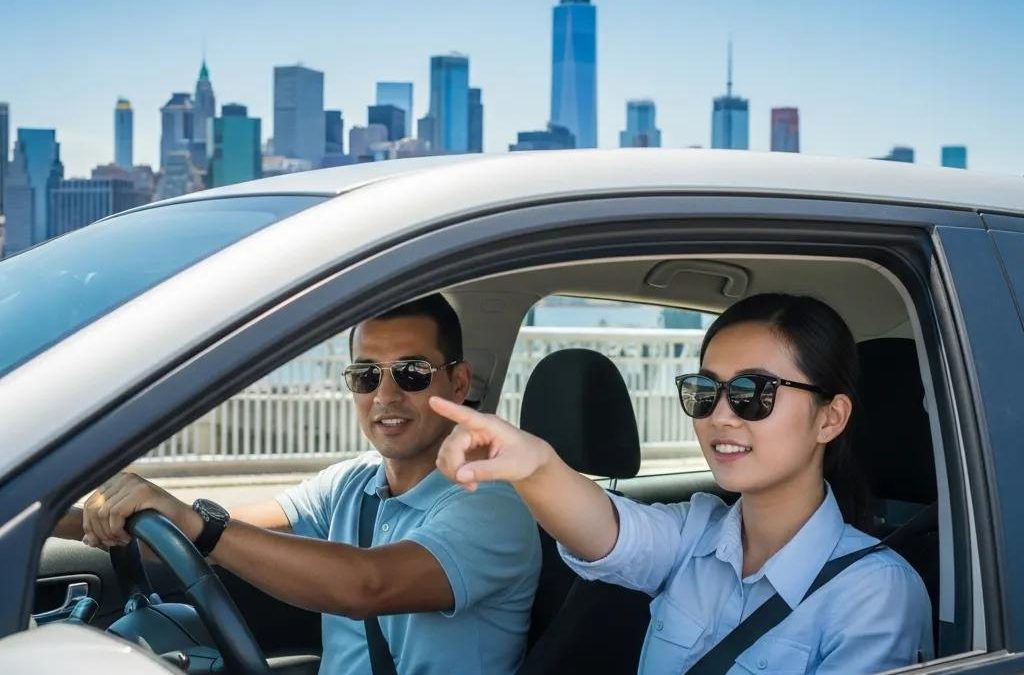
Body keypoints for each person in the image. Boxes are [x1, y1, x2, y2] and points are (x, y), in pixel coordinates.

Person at [430, 293, 933, 674]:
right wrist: (534, 464)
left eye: (751, 393)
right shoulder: (695, 534)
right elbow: (605, 530)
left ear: (830, 419)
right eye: (705, 390)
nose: (719, 416)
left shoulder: (875, 593)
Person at [58, 294, 542, 675]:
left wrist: (200, 525)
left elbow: (369, 584)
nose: (385, 395)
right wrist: (47, 515)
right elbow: (212, 537)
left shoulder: (494, 503)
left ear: (458, 384)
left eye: (412, 374)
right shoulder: (351, 484)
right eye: (366, 375)